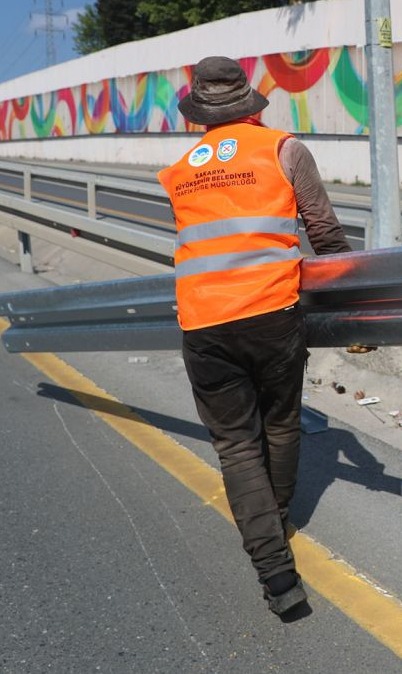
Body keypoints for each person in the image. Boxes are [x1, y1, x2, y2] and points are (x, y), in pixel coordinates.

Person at [157, 56, 352, 616]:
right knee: (282, 422)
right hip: (271, 315)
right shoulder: (284, 150)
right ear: (251, 102)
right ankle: (278, 519)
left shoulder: (179, 170)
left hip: (203, 325)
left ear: (198, 112)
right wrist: (350, 307)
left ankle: (278, 579)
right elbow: (324, 232)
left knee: (236, 445)